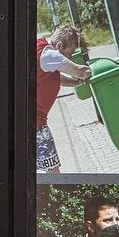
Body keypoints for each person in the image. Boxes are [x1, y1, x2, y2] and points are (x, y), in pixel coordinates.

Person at [36, 25, 93, 173]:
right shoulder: (49, 55)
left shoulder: (40, 48)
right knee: (52, 173)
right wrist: (91, 70)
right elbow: (80, 71)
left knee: (41, 172)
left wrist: (73, 83)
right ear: (59, 46)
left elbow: (51, 77)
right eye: (70, 52)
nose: (70, 57)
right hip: (36, 125)